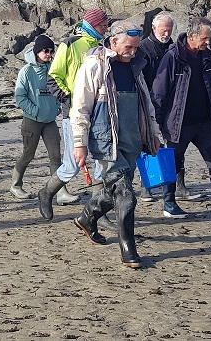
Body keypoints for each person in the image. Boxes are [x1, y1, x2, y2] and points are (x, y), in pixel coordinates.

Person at [69, 21, 161, 269]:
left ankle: (87, 218)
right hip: (105, 140)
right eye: (128, 47)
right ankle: (128, 249)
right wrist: (80, 143)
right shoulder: (94, 65)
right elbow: (80, 107)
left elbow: (146, 103)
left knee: (113, 191)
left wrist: (153, 133)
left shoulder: (136, 68)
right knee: (126, 194)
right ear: (113, 43)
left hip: (131, 139)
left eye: (135, 47)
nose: (132, 52)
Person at [152, 17, 211, 221]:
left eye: (209, 39)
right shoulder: (173, 57)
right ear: (192, 35)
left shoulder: (208, 56)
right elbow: (159, 93)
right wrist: (156, 124)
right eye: (205, 39)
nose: (208, 43)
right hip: (178, 123)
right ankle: (169, 204)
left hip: (205, 121)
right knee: (173, 163)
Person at [37, 7, 111, 218]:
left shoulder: (103, 46)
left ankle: (98, 215)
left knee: (101, 163)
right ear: (92, 24)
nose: (105, 29)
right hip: (74, 114)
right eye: (102, 25)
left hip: (100, 113)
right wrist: (69, 99)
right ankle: (46, 193)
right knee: (72, 166)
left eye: (106, 26)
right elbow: (53, 77)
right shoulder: (69, 44)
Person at [10, 35, 61, 199]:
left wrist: (57, 108)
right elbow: (20, 97)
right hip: (32, 121)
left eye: (51, 51)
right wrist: (36, 111)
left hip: (50, 121)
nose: (49, 53)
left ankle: (60, 191)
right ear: (37, 51)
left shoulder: (53, 69)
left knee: (56, 156)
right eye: (45, 50)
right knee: (28, 154)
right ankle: (16, 185)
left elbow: (58, 91)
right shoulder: (26, 71)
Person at [136, 13, 177, 202]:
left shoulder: (174, 47)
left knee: (175, 143)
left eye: (169, 30)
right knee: (148, 143)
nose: (167, 33)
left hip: (171, 103)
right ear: (154, 28)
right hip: (148, 103)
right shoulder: (143, 48)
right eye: (163, 30)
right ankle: (147, 187)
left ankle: (178, 186)